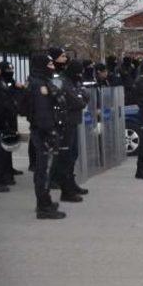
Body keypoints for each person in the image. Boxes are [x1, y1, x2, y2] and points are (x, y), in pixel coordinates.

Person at [27, 54, 67, 219]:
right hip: (44, 132)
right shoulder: (38, 85)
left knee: (44, 169)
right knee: (44, 170)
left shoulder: (42, 81)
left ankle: (45, 201)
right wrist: (50, 132)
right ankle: (43, 207)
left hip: (44, 130)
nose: (52, 66)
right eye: (50, 63)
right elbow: (42, 113)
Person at [51, 60, 90, 201]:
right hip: (65, 122)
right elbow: (77, 101)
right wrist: (81, 98)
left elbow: (85, 95)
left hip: (74, 121)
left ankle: (71, 184)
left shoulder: (74, 82)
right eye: (78, 72)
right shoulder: (63, 82)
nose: (80, 75)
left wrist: (81, 97)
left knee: (73, 154)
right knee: (65, 156)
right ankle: (65, 188)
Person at [0, 61, 23, 183]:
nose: (10, 72)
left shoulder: (7, 82)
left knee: (10, 143)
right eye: (7, 69)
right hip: (1, 119)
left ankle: (9, 169)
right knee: (2, 148)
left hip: (10, 116)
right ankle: (3, 175)